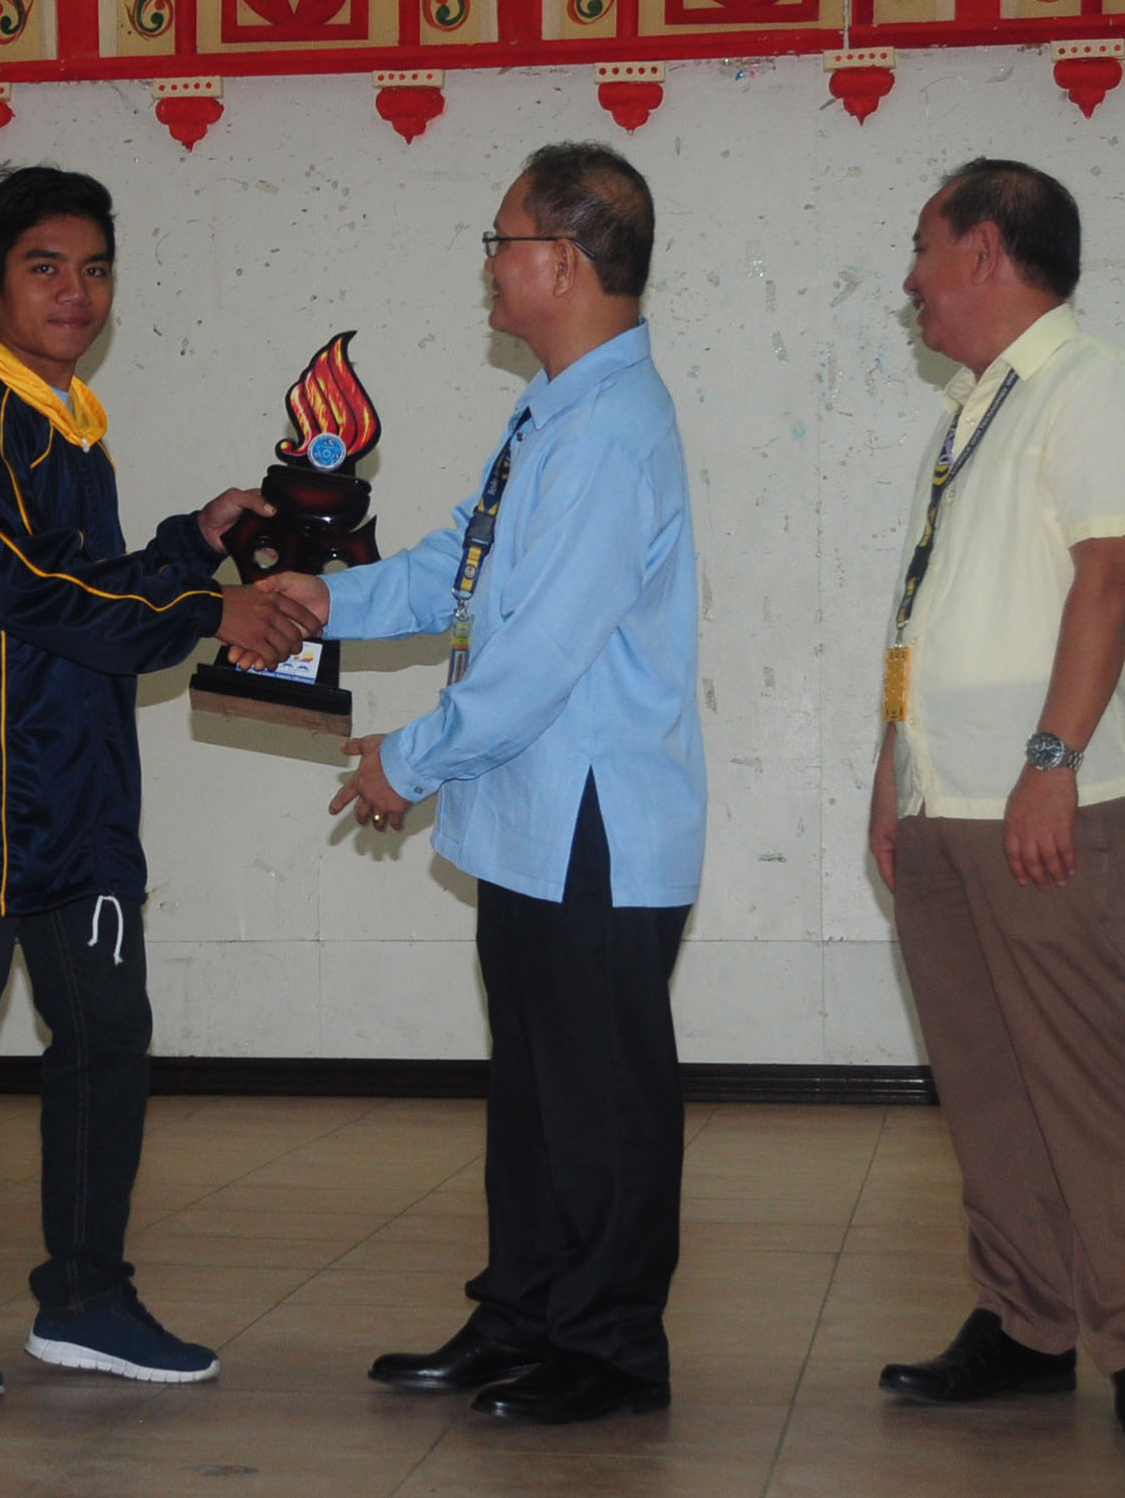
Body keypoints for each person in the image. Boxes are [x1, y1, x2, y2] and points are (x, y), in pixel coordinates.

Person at [269, 142, 706, 1427]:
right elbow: (450, 571)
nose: (491, 264)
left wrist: (404, 760)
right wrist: (315, 600)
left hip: (595, 824)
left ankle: (612, 1347)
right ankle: (523, 1312)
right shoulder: (554, 410)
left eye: (500, 240)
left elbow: (542, 658)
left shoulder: (614, 431)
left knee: (602, 1104)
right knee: (534, 1095)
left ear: (562, 262)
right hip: (528, 821)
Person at [0, 165, 316, 1399]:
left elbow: (76, 580)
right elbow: (22, 587)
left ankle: (84, 1298)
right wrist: (203, 604)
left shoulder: (62, 415)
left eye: (95, 268)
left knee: (107, 1041)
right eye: (44, 268)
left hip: (74, 800)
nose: (75, 292)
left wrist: (189, 542)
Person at [862, 160, 1125, 1442]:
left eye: (921, 245)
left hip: (1056, 793)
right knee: (987, 1079)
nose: (908, 278)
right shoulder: (971, 410)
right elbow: (927, 618)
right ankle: (1024, 1322)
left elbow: (1106, 578)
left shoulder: (1094, 383)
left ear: (986, 249)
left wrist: (1052, 762)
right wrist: (890, 779)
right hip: (945, 800)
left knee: (1090, 1078)